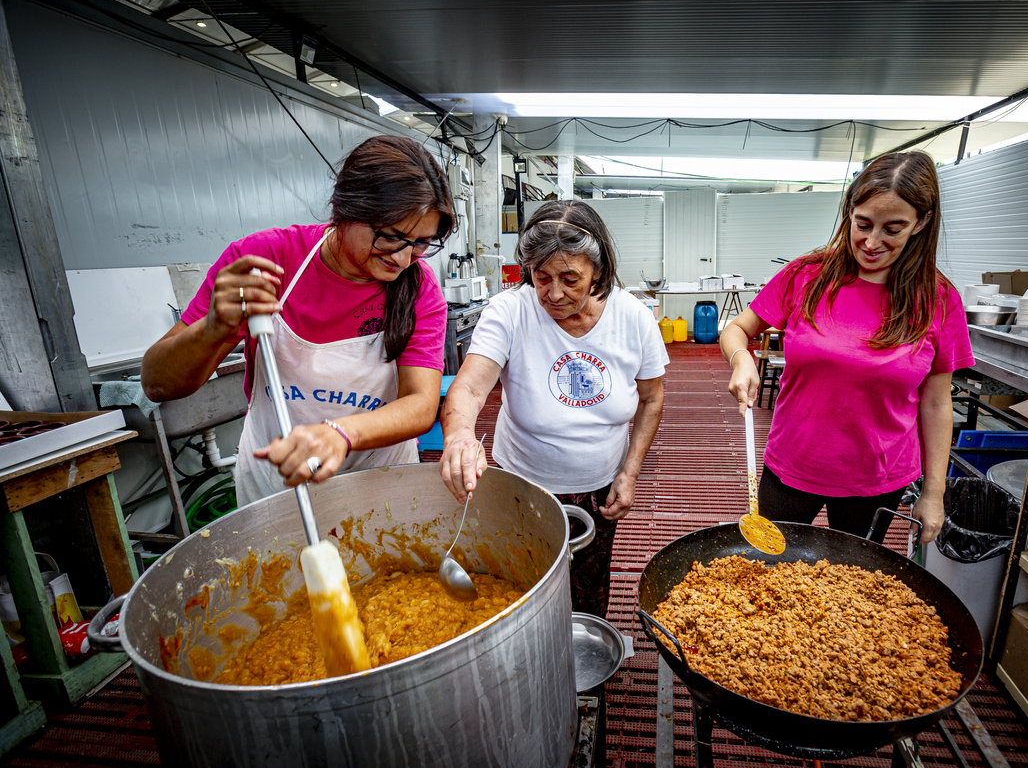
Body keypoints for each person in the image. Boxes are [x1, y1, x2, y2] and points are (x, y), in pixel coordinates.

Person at [142, 135, 452, 506]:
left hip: (378, 481)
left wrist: (340, 433)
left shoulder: (418, 288)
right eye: (391, 237)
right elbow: (157, 385)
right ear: (345, 210)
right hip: (276, 486)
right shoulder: (265, 261)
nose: (403, 259)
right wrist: (211, 331)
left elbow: (420, 403)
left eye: (420, 243)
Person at [720, 151, 973, 543]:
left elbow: (938, 402)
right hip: (793, 463)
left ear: (921, 223)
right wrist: (741, 360)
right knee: (770, 574)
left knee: (849, 587)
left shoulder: (939, 300)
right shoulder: (808, 275)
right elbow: (737, 328)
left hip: (878, 476)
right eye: (863, 224)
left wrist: (934, 492)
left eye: (893, 228)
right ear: (849, 212)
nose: (871, 242)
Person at [439, 201, 668, 617]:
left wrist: (630, 472)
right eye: (542, 277)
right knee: (521, 580)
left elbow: (652, 399)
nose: (555, 293)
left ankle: (584, 660)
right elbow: (470, 388)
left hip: (599, 487)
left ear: (597, 271)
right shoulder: (511, 311)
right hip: (523, 482)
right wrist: (458, 435)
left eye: (570, 279)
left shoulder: (633, 317)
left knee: (589, 583)